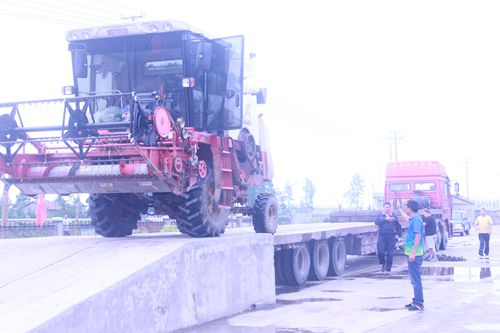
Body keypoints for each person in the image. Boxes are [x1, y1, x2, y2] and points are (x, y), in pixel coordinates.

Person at [397, 199, 425, 311]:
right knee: (414, 279)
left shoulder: (417, 220)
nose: (405, 209)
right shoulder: (414, 219)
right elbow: (406, 218)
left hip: (415, 254)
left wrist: (413, 253)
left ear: (409, 208)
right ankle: (416, 300)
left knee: (416, 279)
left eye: (405, 207)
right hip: (412, 253)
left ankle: (419, 304)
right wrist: (398, 208)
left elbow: (418, 236)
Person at [375, 202, 402, 273]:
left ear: (390, 208)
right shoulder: (380, 215)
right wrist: (386, 219)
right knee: (381, 252)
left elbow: (398, 226)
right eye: (386, 207)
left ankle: (388, 269)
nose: (387, 208)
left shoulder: (393, 215)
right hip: (382, 236)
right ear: (383, 208)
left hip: (391, 236)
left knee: (390, 253)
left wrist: (400, 236)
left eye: (388, 207)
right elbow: (376, 222)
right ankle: (383, 263)